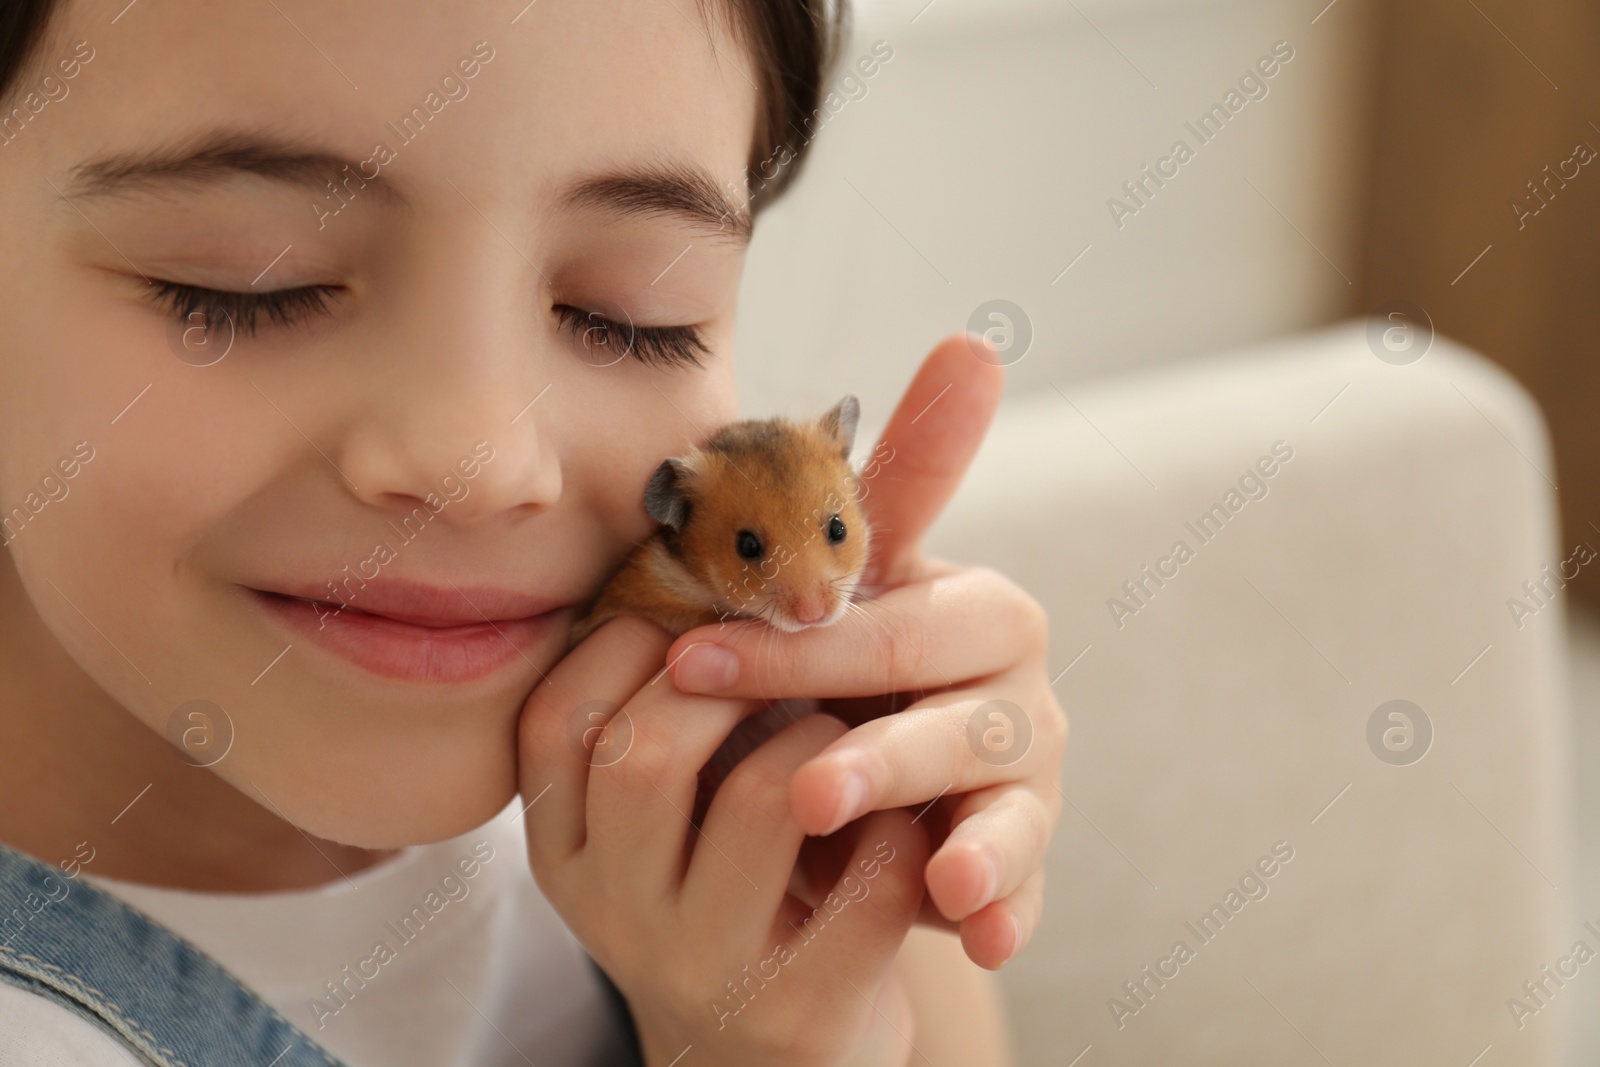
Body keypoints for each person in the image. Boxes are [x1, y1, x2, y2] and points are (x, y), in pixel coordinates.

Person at [0, 0, 1066, 1063]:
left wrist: (847, 828)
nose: (481, 462)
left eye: (631, 312)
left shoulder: (677, 743)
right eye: (247, 287)